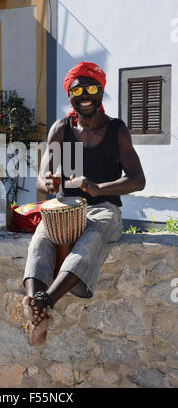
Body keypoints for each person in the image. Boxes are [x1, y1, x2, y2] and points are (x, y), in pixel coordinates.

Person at [22, 61, 146, 346]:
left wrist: (99, 187)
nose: (86, 94)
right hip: (65, 207)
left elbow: (138, 180)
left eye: (92, 88)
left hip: (105, 210)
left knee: (90, 241)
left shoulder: (117, 130)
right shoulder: (60, 129)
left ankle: (45, 302)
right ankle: (33, 304)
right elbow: (41, 179)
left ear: (101, 93)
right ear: (70, 95)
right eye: (79, 89)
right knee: (41, 239)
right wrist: (49, 183)